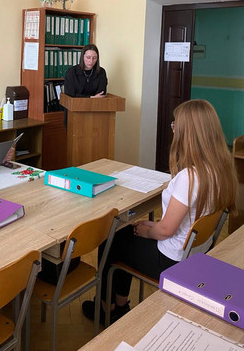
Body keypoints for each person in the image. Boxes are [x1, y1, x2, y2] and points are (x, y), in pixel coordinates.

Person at [82, 99, 237, 325]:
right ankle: (120, 304)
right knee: (125, 234)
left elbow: (165, 230)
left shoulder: (189, 178)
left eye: (175, 125)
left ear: (187, 133)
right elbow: (177, 224)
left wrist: (147, 230)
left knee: (112, 238)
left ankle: (106, 307)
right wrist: (150, 227)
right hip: (195, 252)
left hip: (172, 260)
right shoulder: (220, 168)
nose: (173, 129)